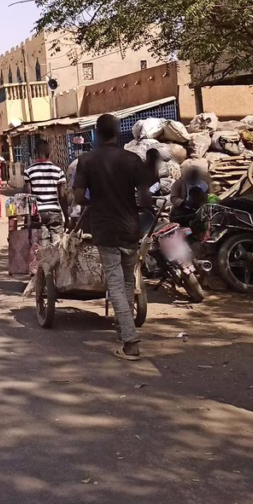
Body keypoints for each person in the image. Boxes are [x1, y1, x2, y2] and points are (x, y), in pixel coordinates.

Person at [73, 113, 154, 361]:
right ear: (118, 132)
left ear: (97, 132)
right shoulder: (131, 159)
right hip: (130, 228)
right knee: (128, 281)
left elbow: (77, 197)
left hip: (105, 229)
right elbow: (145, 197)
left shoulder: (86, 160)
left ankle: (130, 342)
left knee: (117, 284)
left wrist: (94, 201)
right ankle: (122, 329)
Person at [24, 140, 68, 244]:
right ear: (50, 153)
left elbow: (29, 197)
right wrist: (67, 217)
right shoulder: (58, 171)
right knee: (57, 246)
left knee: (42, 247)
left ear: (36, 153)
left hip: (38, 213)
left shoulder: (29, 171)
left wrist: (28, 219)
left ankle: (44, 259)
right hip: (54, 212)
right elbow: (62, 196)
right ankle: (57, 259)